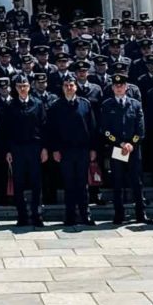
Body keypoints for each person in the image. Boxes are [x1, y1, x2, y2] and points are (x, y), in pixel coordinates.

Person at [46, 72, 98, 227]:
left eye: (71, 85)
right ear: (62, 88)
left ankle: (85, 215)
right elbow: (52, 130)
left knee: (82, 185)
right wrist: (54, 149)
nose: (69, 88)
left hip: (82, 150)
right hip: (65, 151)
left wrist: (93, 149)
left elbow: (92, 128)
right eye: (66, 85)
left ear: (76, 87)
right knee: (68, 184)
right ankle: (69, 216)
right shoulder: (56, 106)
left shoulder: (85, 104)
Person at [99, 74, 151, 225]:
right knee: (118, 182)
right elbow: (105, 130)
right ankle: (119, 214)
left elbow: (140, 130)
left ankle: (141, 214)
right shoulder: (107, 105)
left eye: (121, 85)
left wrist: (131, 144)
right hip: (117, 149)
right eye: (116, 86)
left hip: (133, 150)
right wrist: (121, 144)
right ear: (112, 88)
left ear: (126, 87)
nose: (119, 87)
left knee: (137, 182)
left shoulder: (135, 104)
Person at [2, 73, 47, 227]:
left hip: (34, 148)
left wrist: (44, 148)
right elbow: (5, 131)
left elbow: (44, 127)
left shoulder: (38, 103)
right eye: (19, 86)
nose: (22, 89)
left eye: (25, 86)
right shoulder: (10, 105)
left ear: (30, 87)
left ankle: (37, 214)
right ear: (15, 88)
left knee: (36, 183)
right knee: (19, 183)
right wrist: (8, 150)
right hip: (17, 149)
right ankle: (22, 215)